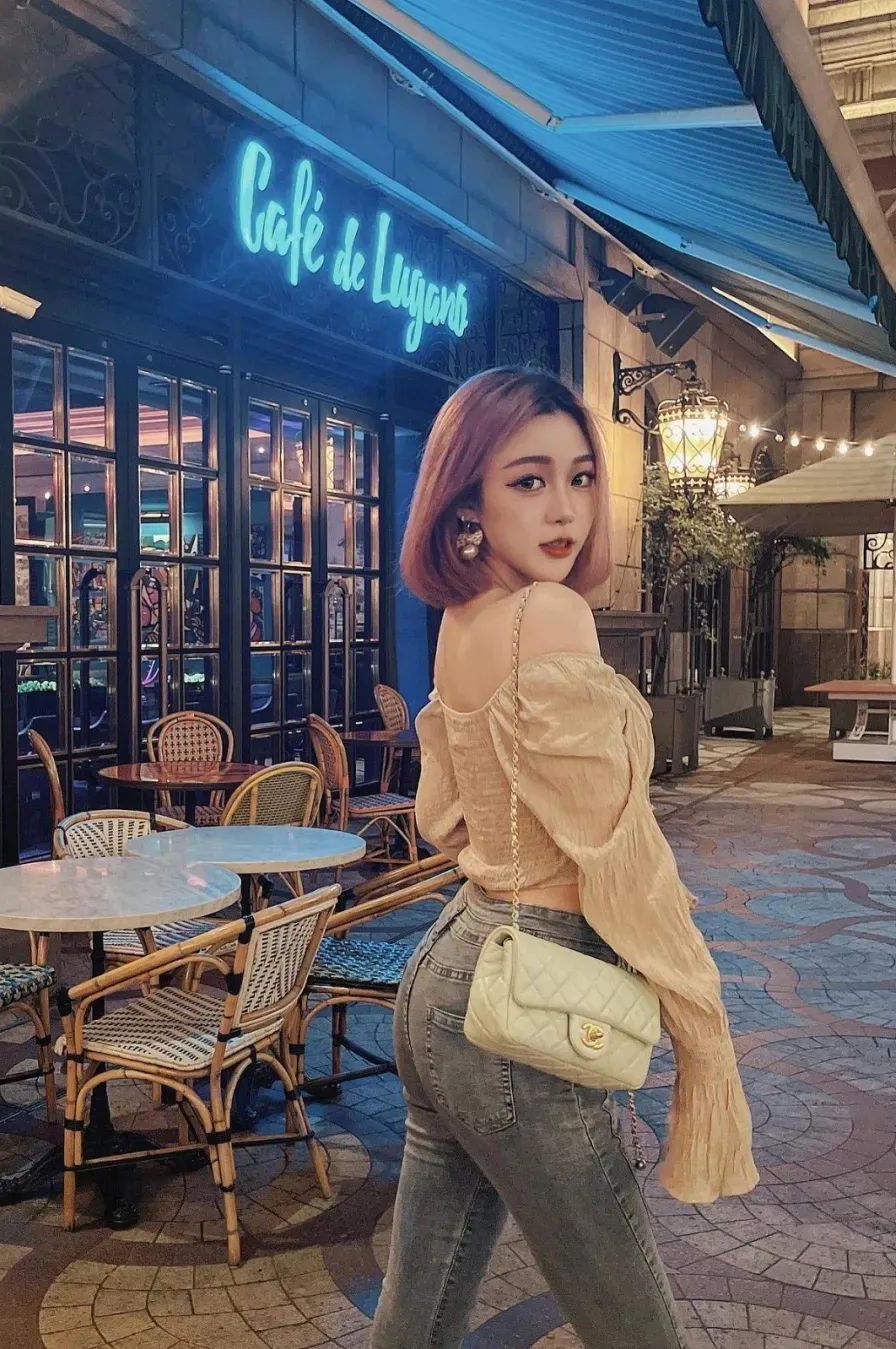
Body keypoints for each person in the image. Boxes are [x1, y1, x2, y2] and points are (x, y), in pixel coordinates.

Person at [370, 368, 757, 1349]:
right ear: (467, 499)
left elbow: (443, 816)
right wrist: (698, 1012)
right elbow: (618, 851)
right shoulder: (546, 614)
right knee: (637, 1325)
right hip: (526, 997)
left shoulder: (464, 619)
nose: (565, 509)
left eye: (580, 477)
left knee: (418, 1314)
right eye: (529, 479)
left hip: (451, 972)